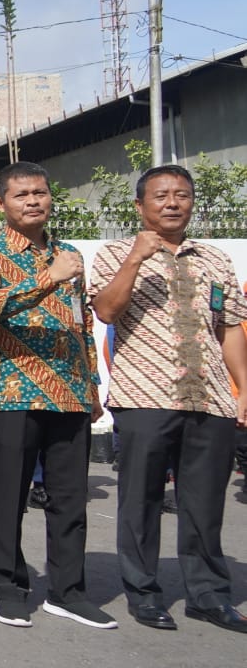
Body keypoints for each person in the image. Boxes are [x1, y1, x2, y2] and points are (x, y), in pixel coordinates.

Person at [90, 164, 247, 634]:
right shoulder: (115, 253)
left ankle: (208, 594)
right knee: (140, 500)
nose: (172, 203)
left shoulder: (216, 259)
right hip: (145, 394)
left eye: (181, 194)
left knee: (204, 502)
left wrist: (243, 390)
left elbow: (231, 328)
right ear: (140, 206)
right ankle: (144, 592)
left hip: (212, 398)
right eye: (160, 196)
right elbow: (105, 310)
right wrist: (136, 259)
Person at [0, 161, 115, 630]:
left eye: (40, 193)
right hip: (13, 389)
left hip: (69, 391)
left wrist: (91, 383)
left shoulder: (69, 252)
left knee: (70, 497)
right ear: (1, 204)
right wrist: (47, 277)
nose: (33, 201)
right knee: (9, 494)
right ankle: (9, 588)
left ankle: (68, 591)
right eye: (22, 194)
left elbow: (82, 324)